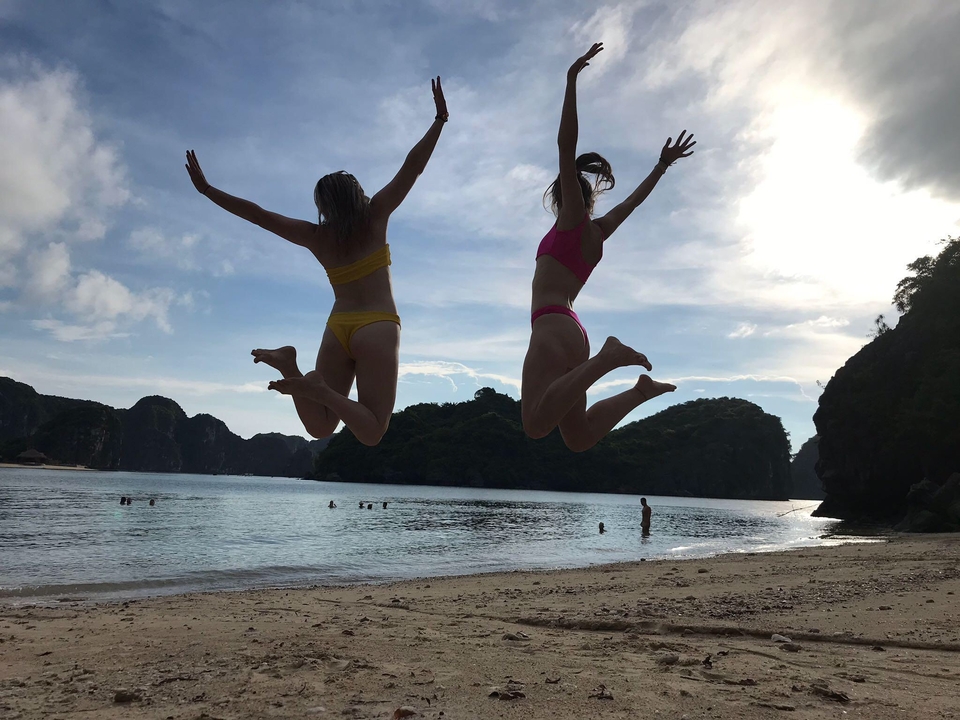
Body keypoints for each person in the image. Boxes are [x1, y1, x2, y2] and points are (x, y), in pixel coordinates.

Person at [185, 78, 449, 447]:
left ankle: (292, 365)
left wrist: (209, 191)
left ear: (323, 206)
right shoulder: (376, 216)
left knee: (320, 428)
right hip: (377, 324)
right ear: (357, 193)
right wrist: (438, 120)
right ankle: (319, 391)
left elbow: (259, 215)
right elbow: (412, 167)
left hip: (338, 324)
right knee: (372, 432)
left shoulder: (316, 237)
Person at [521, 42, 695, 452]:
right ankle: (639, 391)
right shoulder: (598, 232)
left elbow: (566, 146)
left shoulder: (570, 220)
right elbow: (633, 202)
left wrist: (571, 80)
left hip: (551, 325)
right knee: (578, 437)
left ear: (566, 196)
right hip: (574, 331)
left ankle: (607, 358)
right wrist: (661, 166)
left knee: (534, 425)